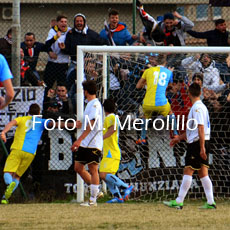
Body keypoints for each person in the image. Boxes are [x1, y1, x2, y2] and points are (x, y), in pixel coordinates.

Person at [163, 83, 216, 209]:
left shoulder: (197, 108)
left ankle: (179, 201)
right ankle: (210, 202)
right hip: (203, 141)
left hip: (198, 143)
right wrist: (179, 138)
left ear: (189, 94)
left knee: (188, 170)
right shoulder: (201, 107)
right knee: (203, 173)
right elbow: (191, 130)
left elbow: (200, 128)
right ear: (200, 93)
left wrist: (201, 147)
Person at [0, 104, 51, 204]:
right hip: (31, 152)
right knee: (17, 176)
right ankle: (5, 198)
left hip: (18, 148)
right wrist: (72, 124)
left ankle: (9, 184)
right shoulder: (41, 121)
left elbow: (11, 123)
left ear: (28, 112)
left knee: (8, 172)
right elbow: (55, 124)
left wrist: (4, 132)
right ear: (39, 113)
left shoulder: (22, 119)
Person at [71, 80, 103, 207]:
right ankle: (97, 190)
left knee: (93, 169)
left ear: (86, 91)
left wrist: (79, 140)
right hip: (85, 142)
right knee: (78, 168)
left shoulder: (95, 104)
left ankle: (93, 200)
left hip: (93, 142)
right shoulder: (89, 104)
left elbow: (93, 122)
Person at [136, 54, 178, 144]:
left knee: (145, 116)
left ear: (155, 62)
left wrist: (147, 83)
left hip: (147, 104)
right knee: (170, 112)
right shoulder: (169, 72)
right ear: (165, 63)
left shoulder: (148, 71)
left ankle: (142, 137)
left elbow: (138, 86)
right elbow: (170, 86)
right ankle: (175, 133)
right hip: (161, 103)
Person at [99, 98, 133, 203]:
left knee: (103, 175)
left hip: (111, 151)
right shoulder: (113, 117)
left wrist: (102, 138)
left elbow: (113, 129)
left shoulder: (111, 117)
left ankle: (126, 187)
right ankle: (118, 196)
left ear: (104, 108)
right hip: (109, 151)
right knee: (106, 176)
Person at [60, 13, 109, 80]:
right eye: (77, 21)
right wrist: (63, 48)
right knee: (69, 78)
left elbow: (102, 42)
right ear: (74, 23)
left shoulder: (91, 34)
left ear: (84, 22)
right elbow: (69, 50)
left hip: (89, 64)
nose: (79, 23)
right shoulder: (70, 34)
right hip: (75, 64)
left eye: (81, 21)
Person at [44, 15, 71, 92]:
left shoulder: (69, 31)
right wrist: (55, 38)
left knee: (62, 87)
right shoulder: (52, 31)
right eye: (61, 22)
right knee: (48, 85)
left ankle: (62, 102)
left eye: (65, 22)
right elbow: (47, 44)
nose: (64, 23)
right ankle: (46, 102)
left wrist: (64, 48)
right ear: (57, 23)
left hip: (63, 63)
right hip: (53, 63)